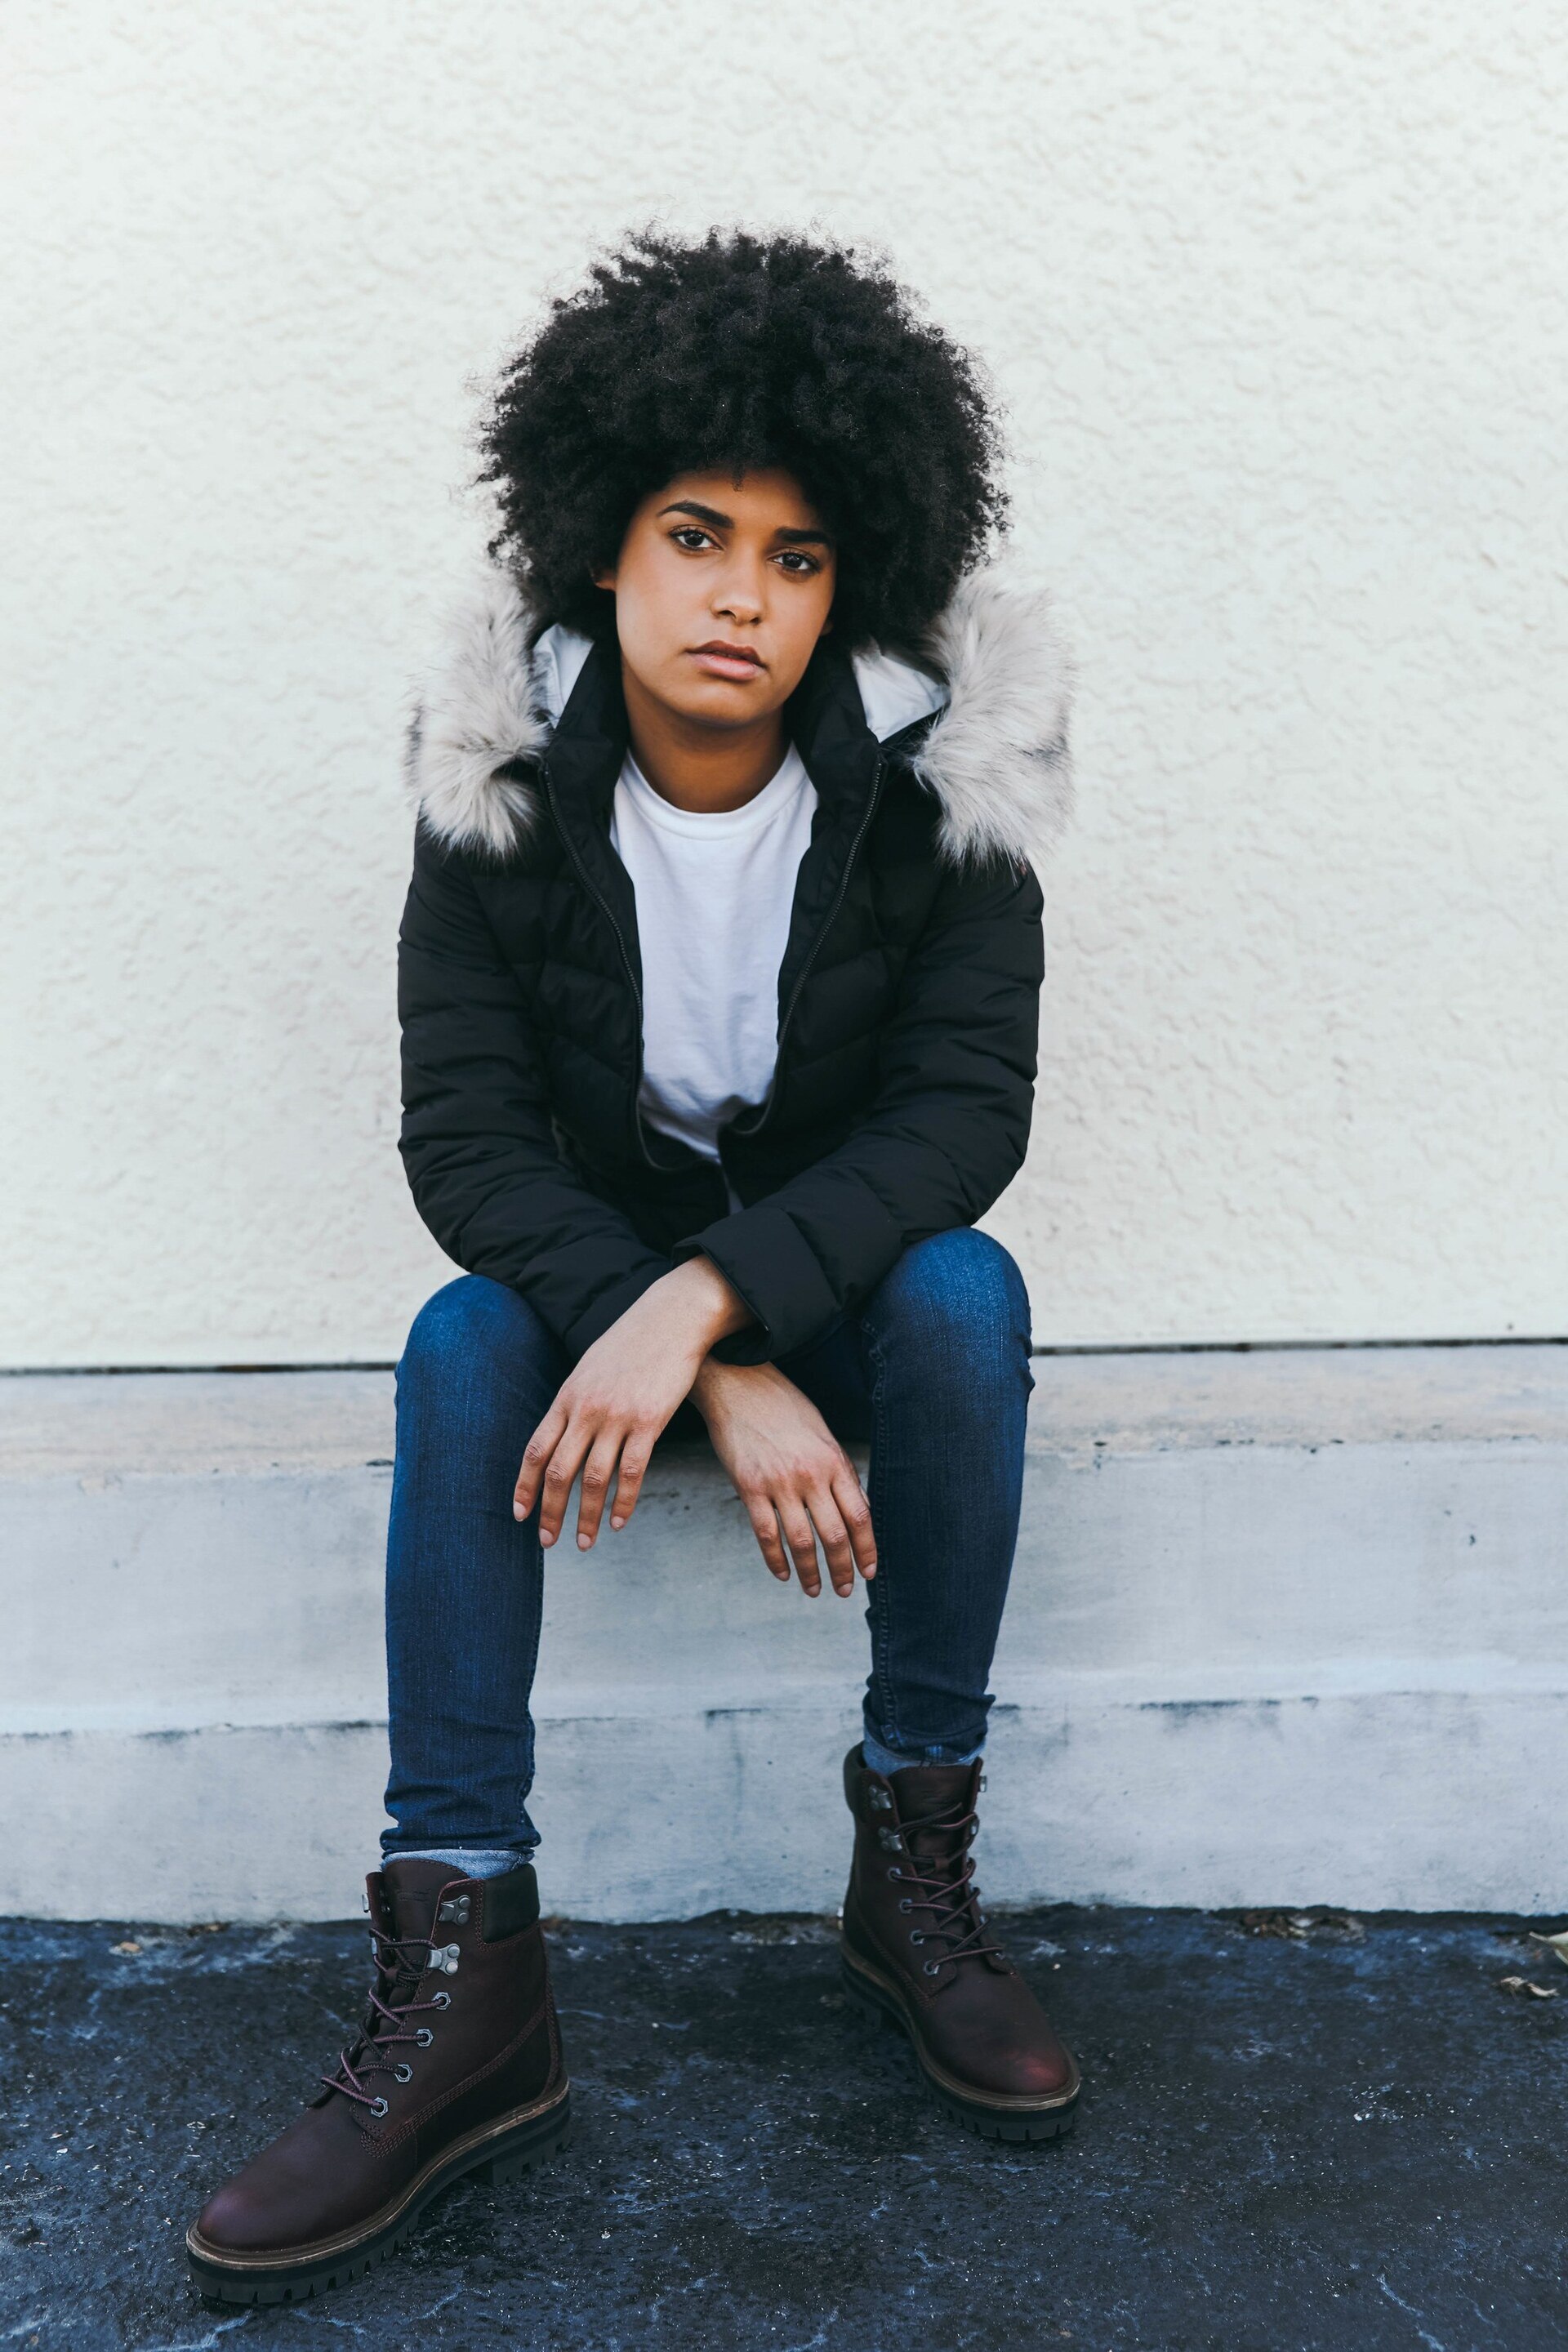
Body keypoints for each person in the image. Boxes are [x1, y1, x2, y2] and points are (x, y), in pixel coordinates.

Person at [188, 228, 1078, 2305]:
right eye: (695, 537)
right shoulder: (496, 779)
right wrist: (691, 1345)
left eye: (795, 557)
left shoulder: (948, 789)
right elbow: (469, 1142)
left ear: (852, 586)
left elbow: (966, 1120)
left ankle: (913, 1861)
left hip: (819, 1326)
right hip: (592, 1338)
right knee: (454, 1335)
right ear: (604, 546)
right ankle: (465, 1958)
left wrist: (724, 1309)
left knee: (966, 1293)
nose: (740, 597)